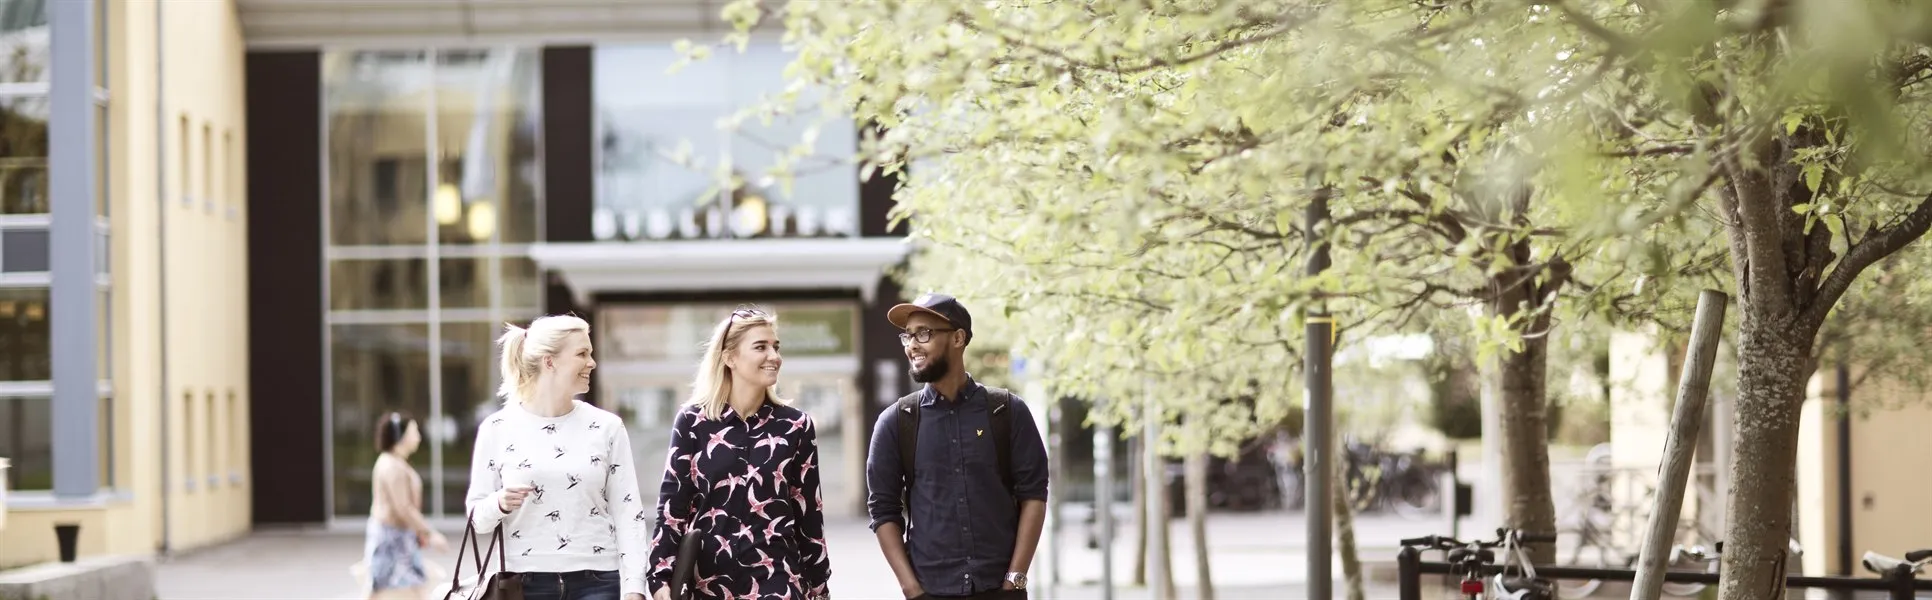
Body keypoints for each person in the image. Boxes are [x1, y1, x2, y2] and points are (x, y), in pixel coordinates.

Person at [867, 293, 1050, 599]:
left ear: (958, 338)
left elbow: (1034, 493)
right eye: (908, 336)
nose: (912, 345)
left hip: (999, 588)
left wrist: (1015, 579)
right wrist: (911, 589)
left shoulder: (1007, 412)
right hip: (931, 591)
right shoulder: (896, 422)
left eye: (923, 334)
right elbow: (883, 510)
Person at [646, 307, 832, 600]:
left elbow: (808, 514)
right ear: (729, 357)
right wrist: (659, 577)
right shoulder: (693, 422)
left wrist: (819, 588)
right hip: (708, 585)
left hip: (778, 581)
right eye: (760, 347)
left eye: (775, 347)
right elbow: (673, 508)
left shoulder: (796, 425)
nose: (774, 356)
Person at [462, 314, 648, 600]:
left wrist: (635, 587)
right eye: (582, 354)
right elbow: (477, 520)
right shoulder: (497, 428)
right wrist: (499, 502)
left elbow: (628, 513)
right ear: (549, 362)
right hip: (524, 585)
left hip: (599, 583)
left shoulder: (607, 427)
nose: (592, 362)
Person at [364, 412, 448, 600]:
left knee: (406, 590)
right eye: (414, 432)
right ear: (400, 437)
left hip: (398, 537)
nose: (418, 437)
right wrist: (429, 533)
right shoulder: (392, 466)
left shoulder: (394, 462)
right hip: (391, 539)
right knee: (393, 591)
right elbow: (403, 508)